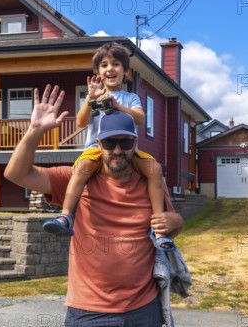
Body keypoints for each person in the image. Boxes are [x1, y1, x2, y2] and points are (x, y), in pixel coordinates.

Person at [4, 84, 183, 327]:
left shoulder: (149, 178)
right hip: (88, 312)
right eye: (110, 142)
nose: (117, 151)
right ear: (99, 144)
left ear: (135, 144)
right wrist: (34, 130)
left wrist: (174, 221)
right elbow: (17, 174)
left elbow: (170, 221)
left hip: (142, 312)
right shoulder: (78, 176)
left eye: (125, 143)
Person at [42, 41, 174, 249]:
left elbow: (139, 118)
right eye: (103, 65)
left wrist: (117, 105)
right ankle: (66, 216)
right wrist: (90, 100)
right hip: (96, 150)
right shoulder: (93, 97)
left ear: (125, 70)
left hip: (128, 150)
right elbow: (81, 122)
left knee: (154, 168)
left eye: (115, 64)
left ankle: (158, 229)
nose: (110, 69)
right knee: (82, 167)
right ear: (97, 72)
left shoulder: (130, 98)